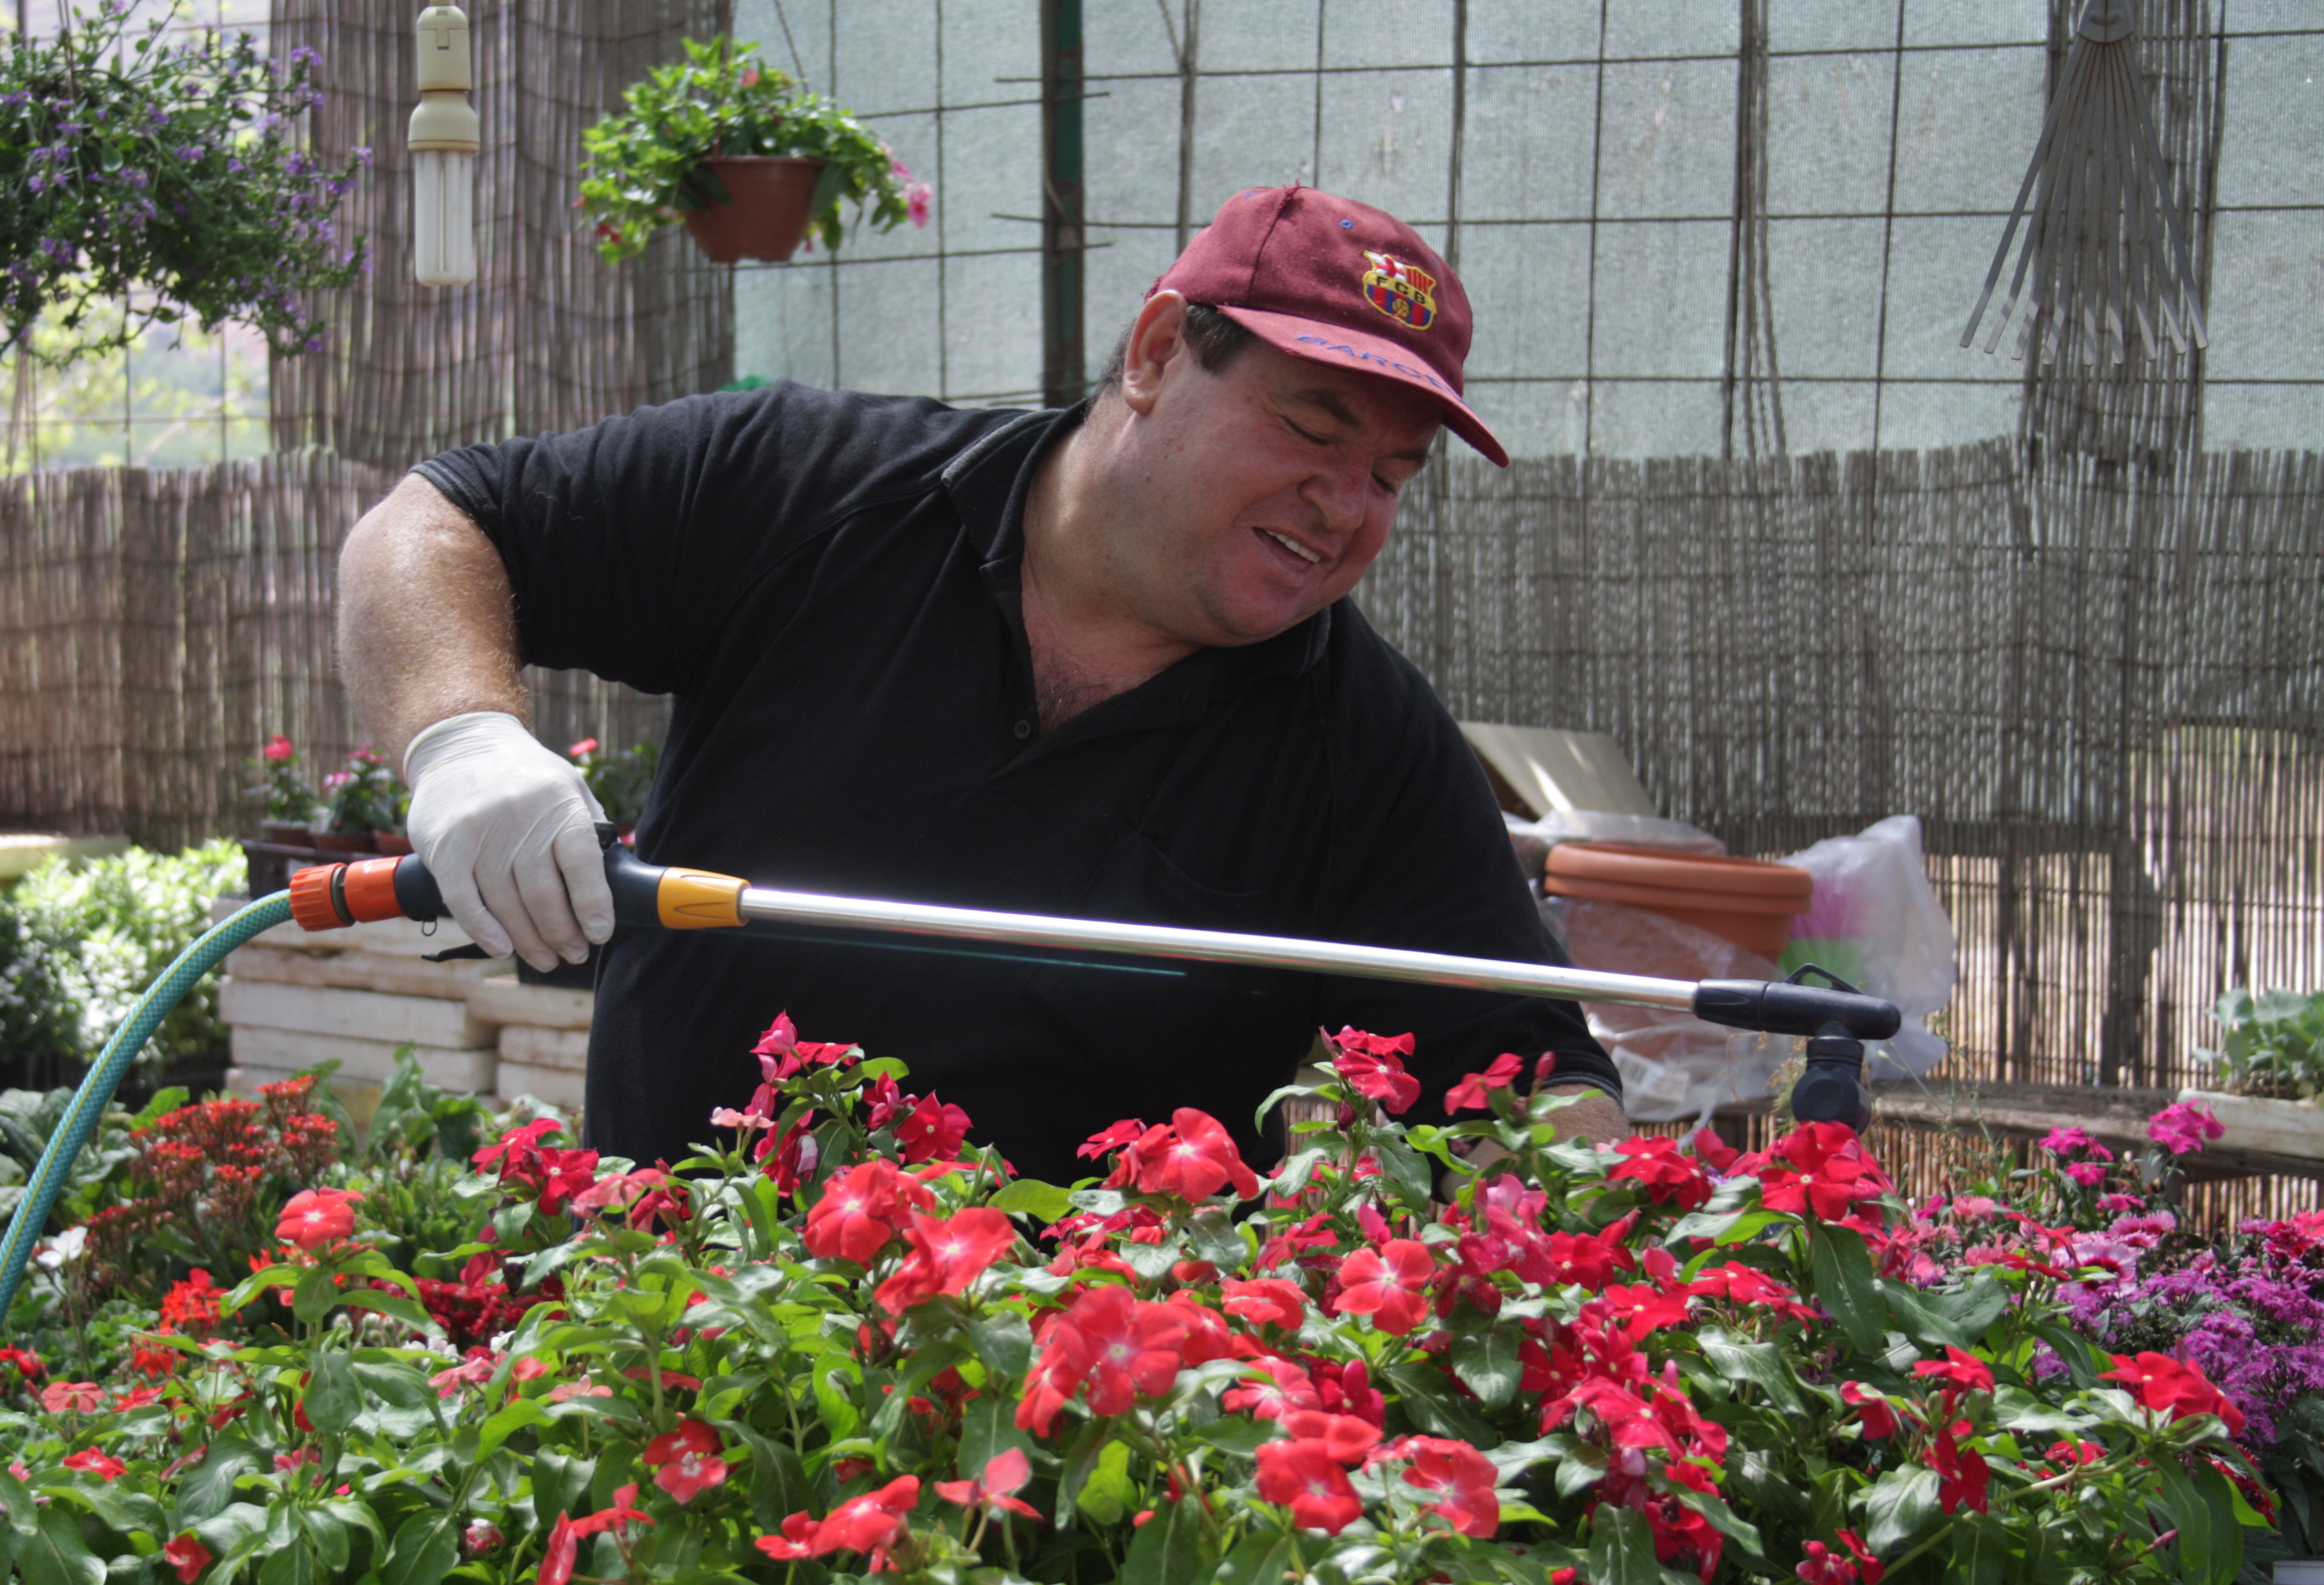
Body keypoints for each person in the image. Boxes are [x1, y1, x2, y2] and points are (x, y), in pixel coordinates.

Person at [337, 183, 1626, 1176]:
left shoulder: (1368, 745)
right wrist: (463, 738)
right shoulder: (806, 490)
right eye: (1310, 427)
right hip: (676, 1343)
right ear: (1161, 351)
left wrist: (1602, 1209)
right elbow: (439, 522)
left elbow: (1533, 1076)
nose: (1343, 506)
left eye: (1394, 477)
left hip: (1059, 1458)